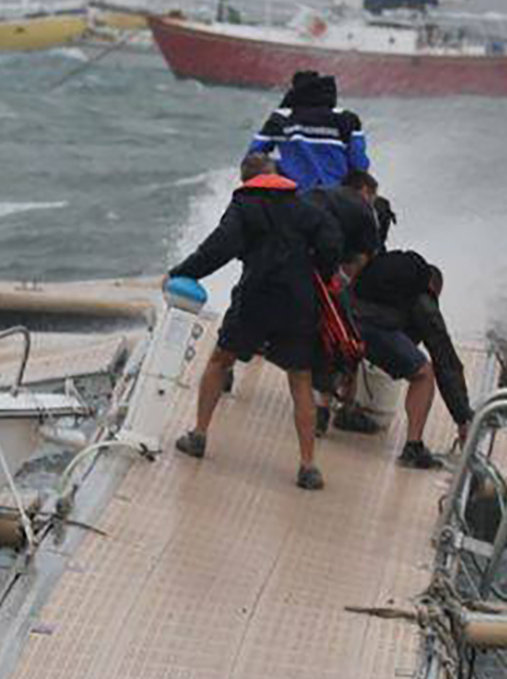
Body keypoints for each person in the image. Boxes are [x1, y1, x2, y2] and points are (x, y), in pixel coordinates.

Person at [168, 152, 343, 489]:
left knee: (220, 360)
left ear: (246, 181)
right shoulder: (306, 206)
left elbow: (218, 248)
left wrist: (182, 272)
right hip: (298, 303)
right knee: (300, 379)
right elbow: (331, 243)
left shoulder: (244, 205)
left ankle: (199, 434)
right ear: (274, 174)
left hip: (255, 299)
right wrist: (317, 270)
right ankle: (308, 466)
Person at [346, 247, 473, 468]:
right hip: (370, 324)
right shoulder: (422, 296)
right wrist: (463, 417)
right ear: (434, 287)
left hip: (344, 316)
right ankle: (413, 447)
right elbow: (444, 358)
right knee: (424, 373)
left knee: (354, 350)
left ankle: (340, 410)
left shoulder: (389, 272)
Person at [305, 169, 383, 435]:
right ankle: (325, 412)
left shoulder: (316, 193)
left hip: (288, 262)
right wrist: (345, 281)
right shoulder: (363, 209)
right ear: (364, 190)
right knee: (338, 341)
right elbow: (365, 258)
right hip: (323, 274)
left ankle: (228, 371)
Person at [245, 70, 369, 193]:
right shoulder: (347, 118)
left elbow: (254, 155)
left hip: (293, 196)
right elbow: (359, 164)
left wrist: (279, 168)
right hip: (335, 196)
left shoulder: (281, 118)